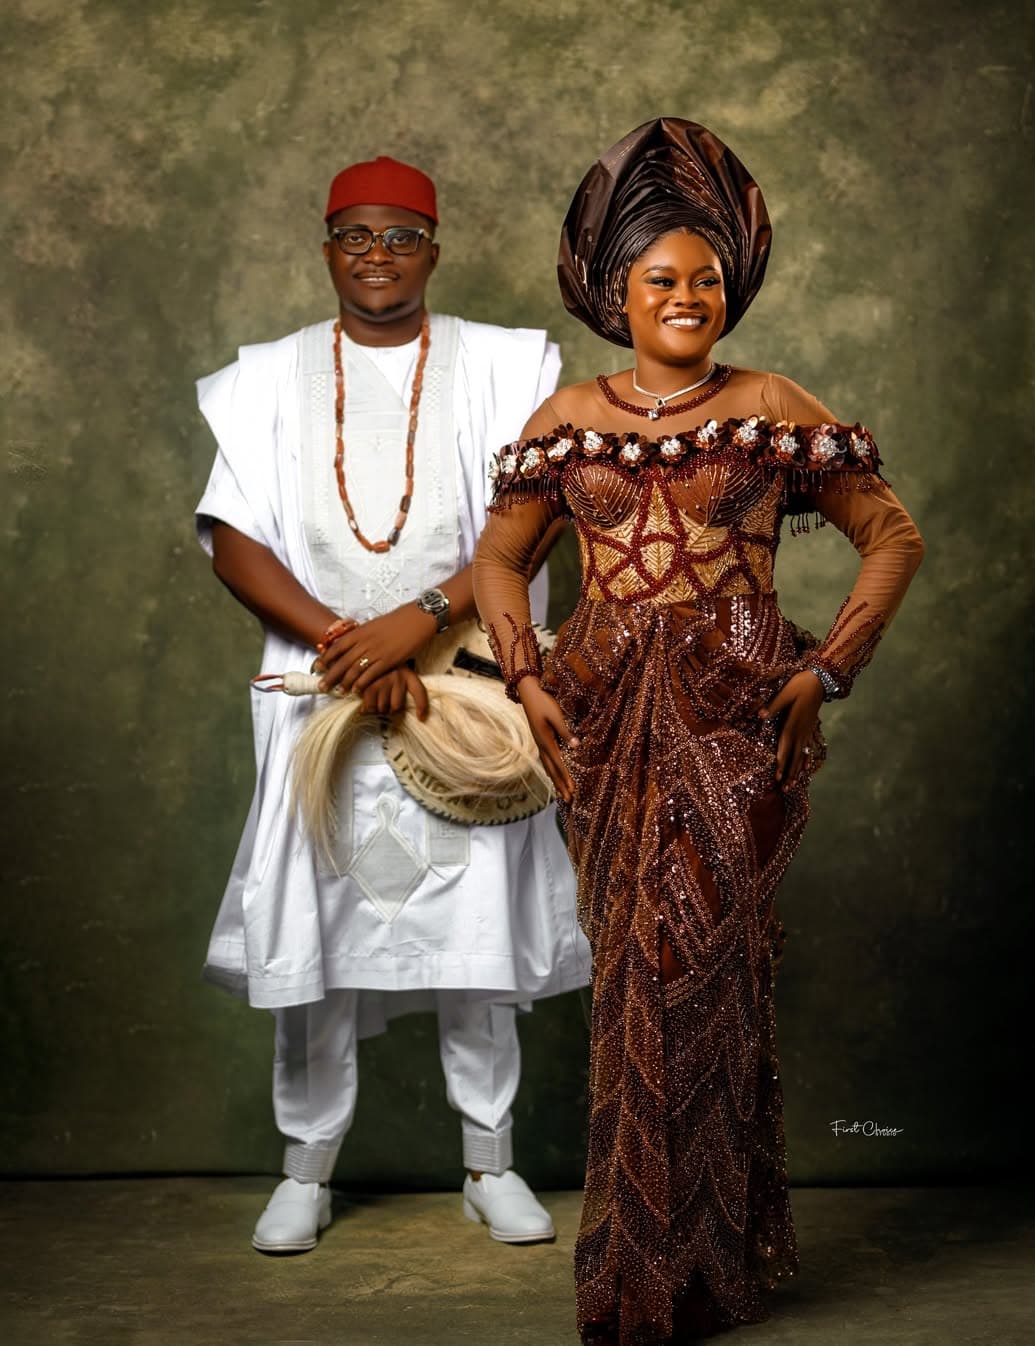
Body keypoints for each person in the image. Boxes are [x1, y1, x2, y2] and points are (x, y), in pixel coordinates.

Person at [472, 118, 925, 1344]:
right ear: (615, 290)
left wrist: (825, 671)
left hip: (736, 721)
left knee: (702, 973)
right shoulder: (568, 418)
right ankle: (643, 1271)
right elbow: (501, 560)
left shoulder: (773, 406)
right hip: (605, 722)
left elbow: (895, 537)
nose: (686, 296)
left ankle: (703, 1264)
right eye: (662, 279)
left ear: (732, 285)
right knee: (632, 976)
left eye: (705, 278)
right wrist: (524, 677)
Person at [193, 154, 590, 1254]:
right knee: (313, 942)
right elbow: (232, 535)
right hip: (321, 688)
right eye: (356, 235)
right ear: (327, 246)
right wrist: (346, 643)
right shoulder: (270, 376)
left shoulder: (506, 367)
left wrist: (419, 621)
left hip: (461, 687)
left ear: (434, 249)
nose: (378, 254)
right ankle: (307, 1171)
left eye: (401, 235)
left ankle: (489, 1160)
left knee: (478, 934)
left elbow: (540, 512)